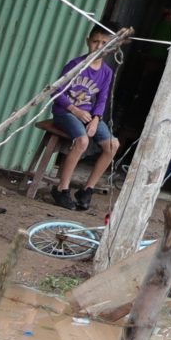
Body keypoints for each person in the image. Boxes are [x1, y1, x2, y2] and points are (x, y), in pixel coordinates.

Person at [49, 24, 120, 214]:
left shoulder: (107, 72)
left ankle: (87, 189)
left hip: (89, 116)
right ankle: (61, 189)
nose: (99, 46)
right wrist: (74, 110)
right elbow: (56, 91)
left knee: (113, 145)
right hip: (65, 112)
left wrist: (96, 119)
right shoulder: (75, 65)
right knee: (82, 141)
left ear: (112, 47)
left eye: (105, 43)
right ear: (88, 41)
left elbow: (102, 99)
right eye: (95, 41)